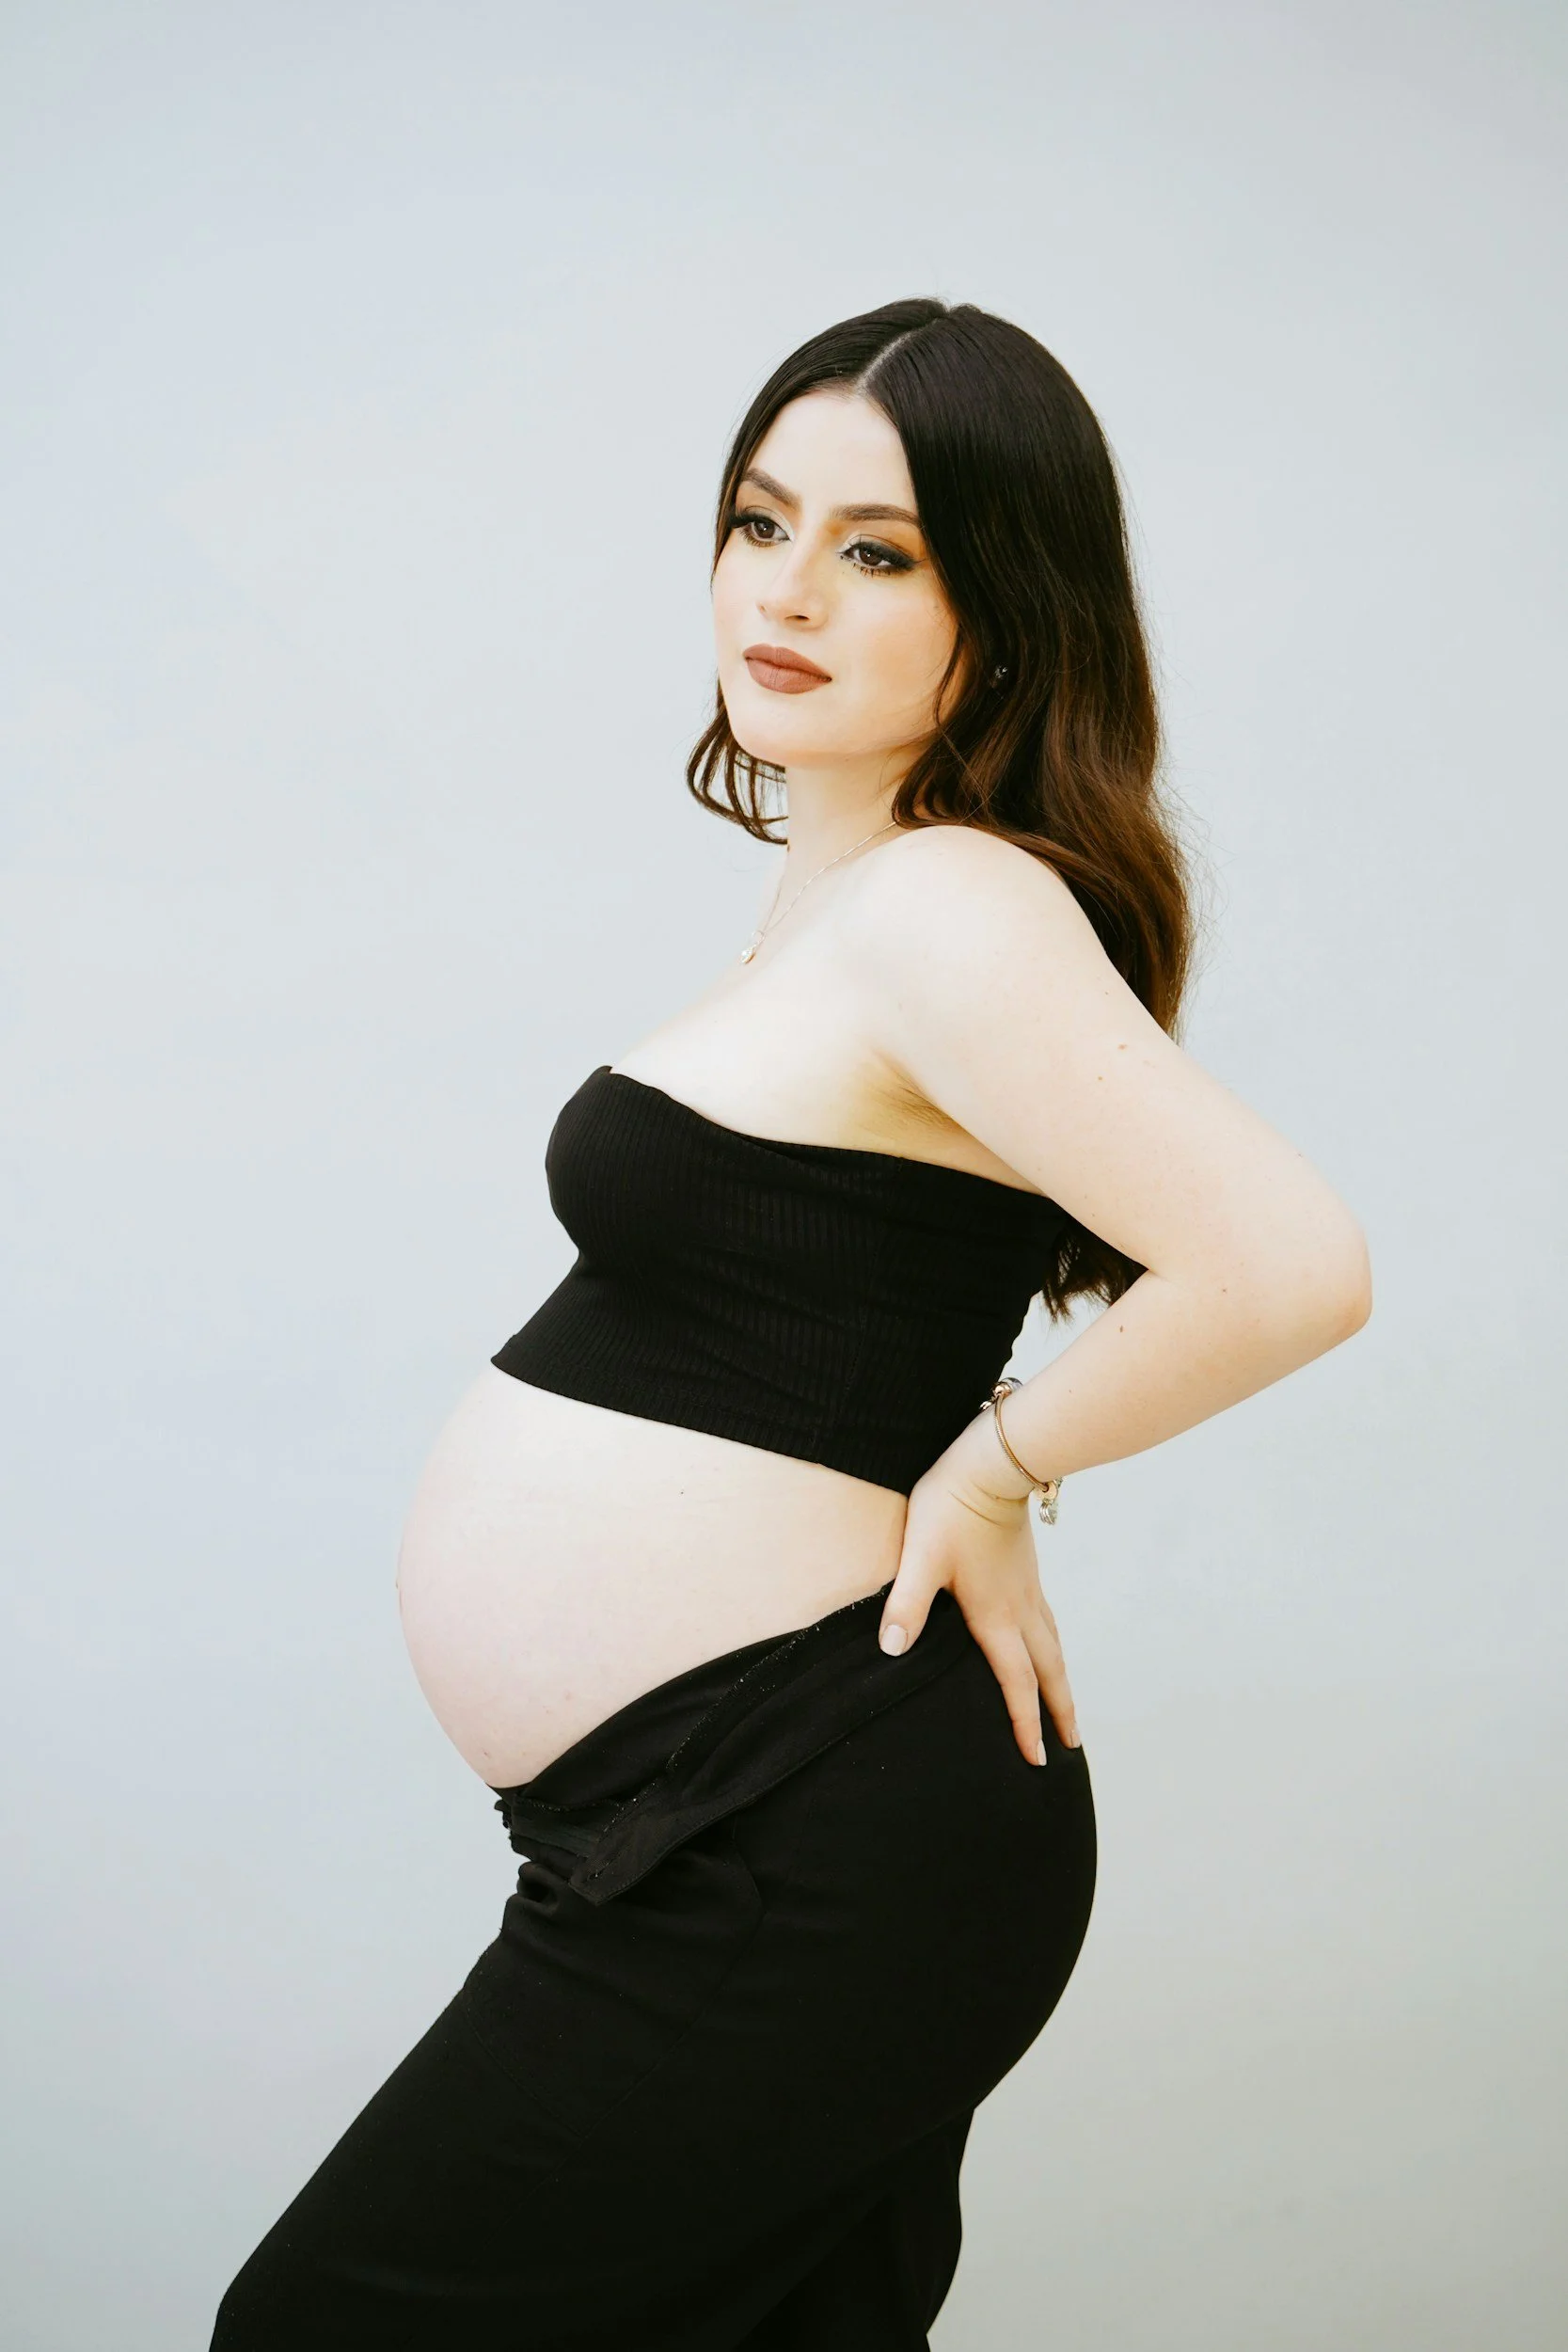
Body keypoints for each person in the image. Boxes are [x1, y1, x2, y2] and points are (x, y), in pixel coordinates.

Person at [210, 296, 1371, 2349]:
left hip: (799, 1830)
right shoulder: (850, 908)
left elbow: (1286, 1263)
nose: (789, 586)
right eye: (762, 520)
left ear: (999, 606)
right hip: (722, 1827)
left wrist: (998, 1468)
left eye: (879, 550)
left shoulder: (946, 904)